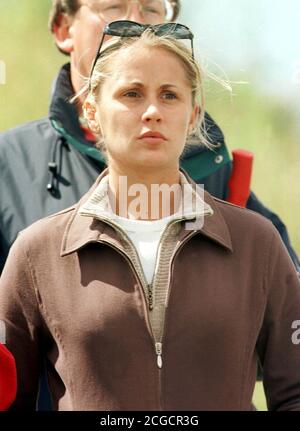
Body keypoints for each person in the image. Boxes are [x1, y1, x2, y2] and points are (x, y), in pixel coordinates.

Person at [1, 25, 300, 411]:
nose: (153, 111)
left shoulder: (256, 242)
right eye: (131, 94)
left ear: (193, 115)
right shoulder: (37, 251)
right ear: (92, 111)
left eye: (169, 95)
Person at [0, 0, 299, 276]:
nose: (136, 26)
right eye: (113, 7)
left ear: (194, 113)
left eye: (151, 9)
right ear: (65, 29)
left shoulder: (218, 174)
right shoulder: (10, 165)